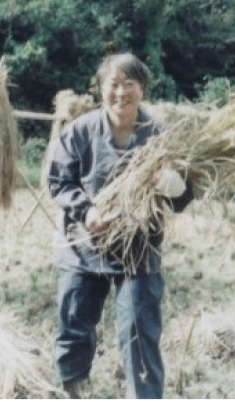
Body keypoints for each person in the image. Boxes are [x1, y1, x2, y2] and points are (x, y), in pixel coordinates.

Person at [46, 53, 194, 399]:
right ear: (101, 88)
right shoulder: (80, 131)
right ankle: (72, 394)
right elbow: (59, 182)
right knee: (74, 327)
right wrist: (86, 211)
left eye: (130, 83)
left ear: (142, 88)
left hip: (138, 252)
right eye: (113, 83)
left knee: (140, 333)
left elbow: (184, 198)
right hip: (84, 246)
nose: (121, 92)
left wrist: (172, 184)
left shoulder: (159, 136)